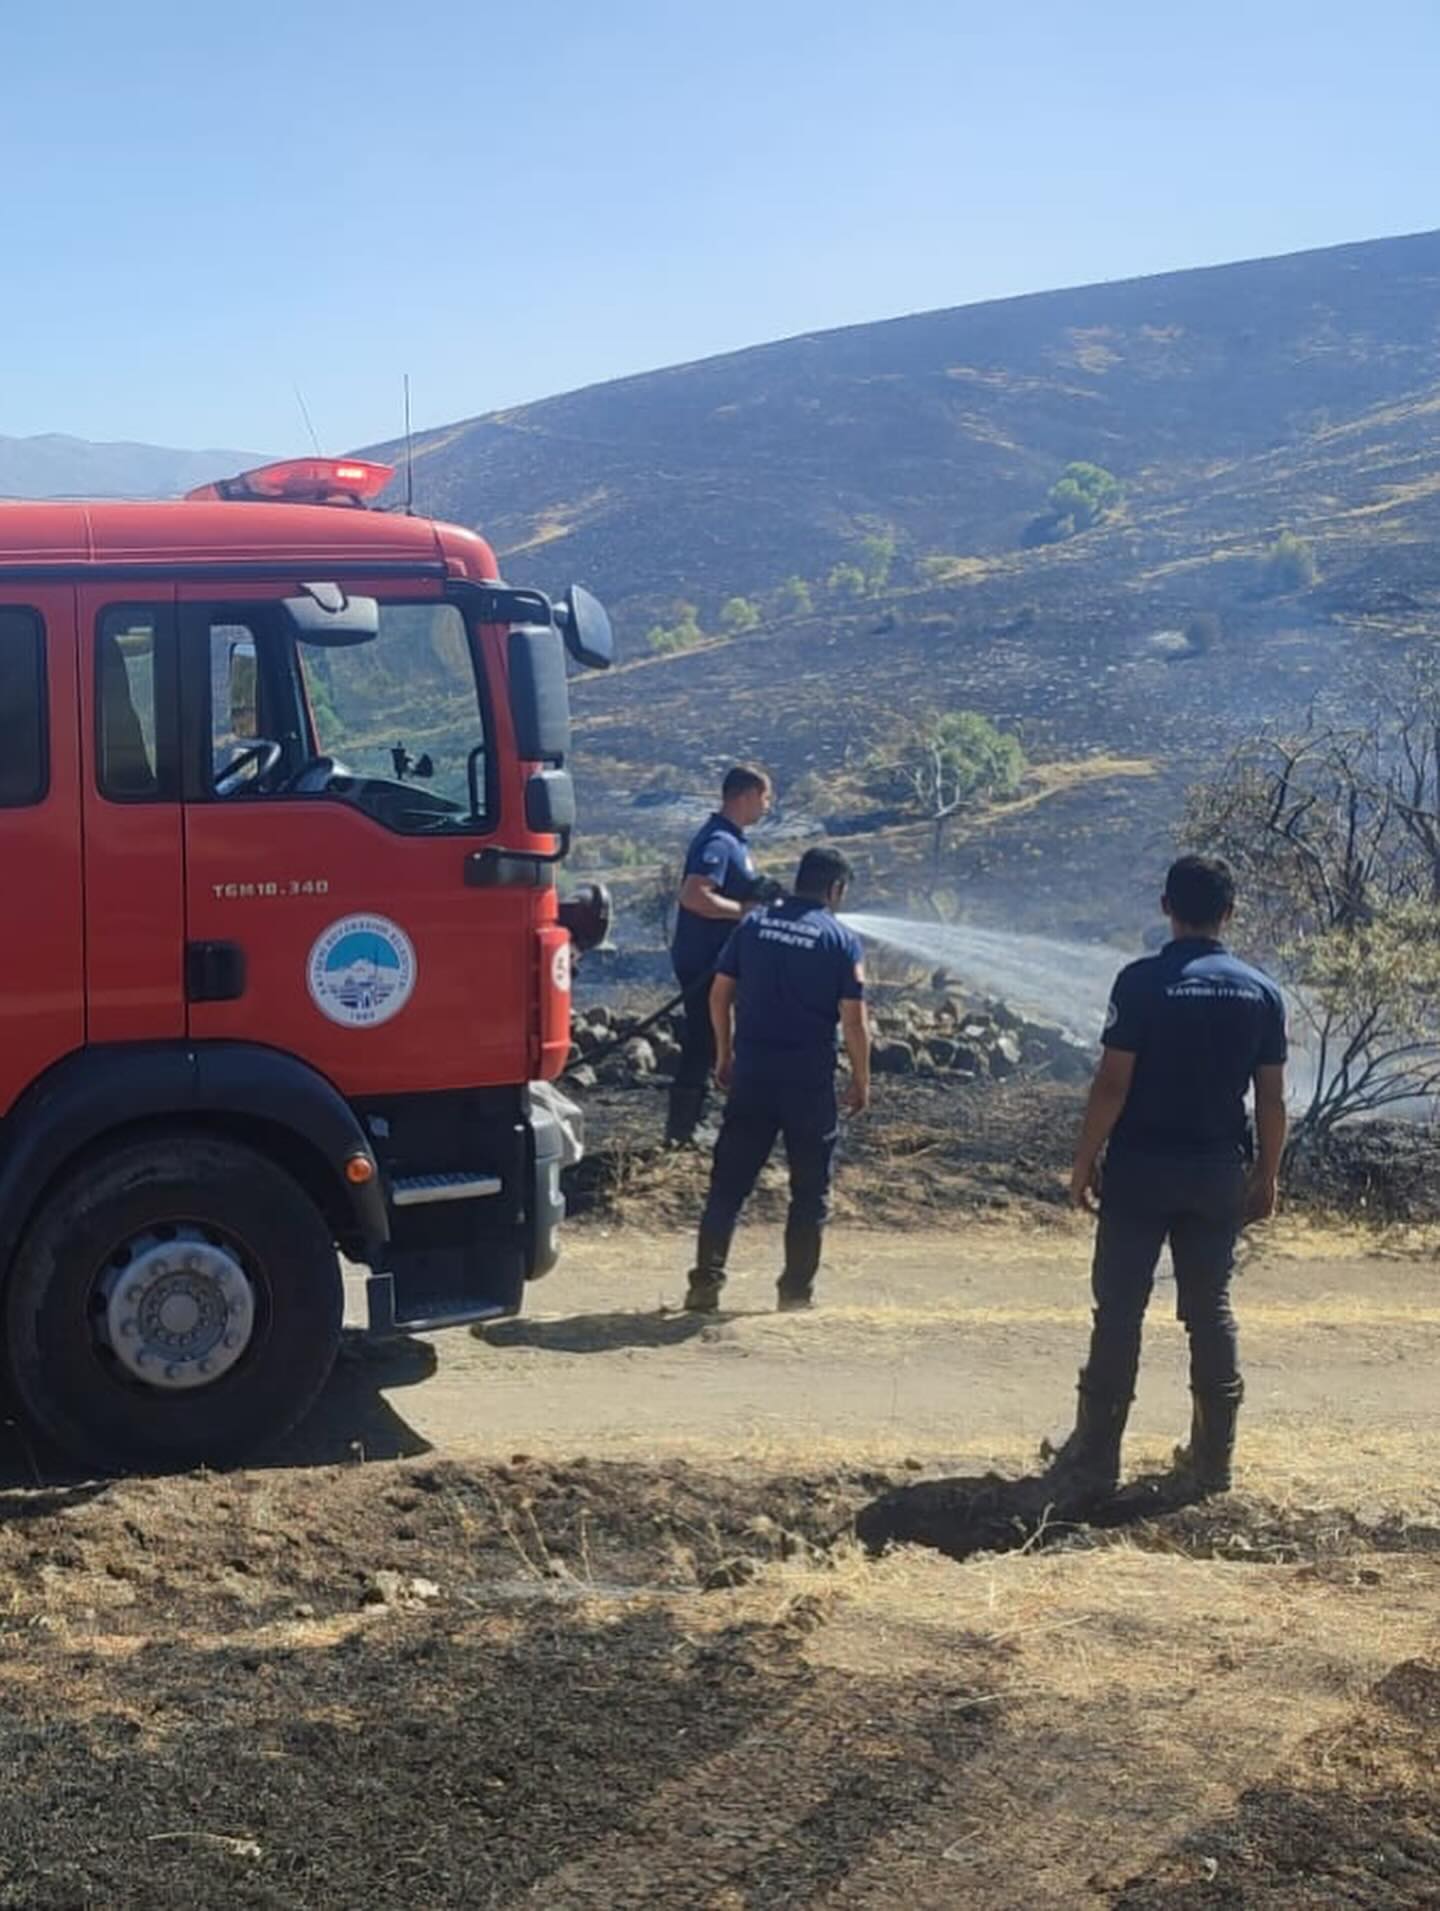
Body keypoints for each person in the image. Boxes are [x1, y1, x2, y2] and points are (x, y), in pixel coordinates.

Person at [1049, 854, 1287, 1500]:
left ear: (1165, 907)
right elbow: (1270, 1099)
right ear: (1229, 912)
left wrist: (1083, 1159)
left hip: (1140, 1170)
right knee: (1210, 1309)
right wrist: (1267, 1174)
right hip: (1216, 1171)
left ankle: (1095, 1458)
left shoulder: (1140, 982)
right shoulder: (1261, 992)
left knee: (1119, 1308)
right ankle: (1212, 1461)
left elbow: (1112, 1084)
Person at [684, 846, 871, 1314]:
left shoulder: (753, 925)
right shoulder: (841, 940)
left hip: (753, 1075)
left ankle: (705, 1285)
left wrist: (725, 1053)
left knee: (728, 1185)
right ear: (835, 889)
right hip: (808, 1083)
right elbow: (854, 1022)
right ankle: (795, 1294)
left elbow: (719, 994)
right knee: (809, 1192)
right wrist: (861, 1080)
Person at [665, 766, 776, 1146]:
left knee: (710, 1037)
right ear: (746, 795)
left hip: (716, 960)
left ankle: (694, 1122)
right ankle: (685, 1127)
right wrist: (744, 911)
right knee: (705, 1037)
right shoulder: (719, 842)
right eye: (765, 797)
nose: (767, 806)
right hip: (703, 960)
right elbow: (694, 895)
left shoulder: (732, 841)